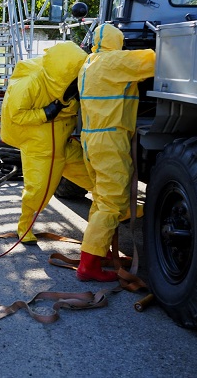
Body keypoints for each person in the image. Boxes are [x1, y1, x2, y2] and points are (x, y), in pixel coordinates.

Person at [76, 23, 156, 282]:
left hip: (91, 139)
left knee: (101, 200)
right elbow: (155, 61)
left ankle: (94, 256)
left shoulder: (88, 64)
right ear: (117, 41)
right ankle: (88, 266)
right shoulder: (114, 61)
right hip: (110, 141)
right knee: (112, 203)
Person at [1, 41, 93, 244]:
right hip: (39, 146)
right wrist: (45, 113)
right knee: (37, 191)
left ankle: (124, 210)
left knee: (96, 176)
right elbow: (15, 114)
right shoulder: (30, 83)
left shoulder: (68, 81)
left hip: (63, 143)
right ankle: (24, 228)